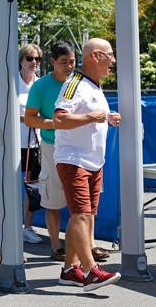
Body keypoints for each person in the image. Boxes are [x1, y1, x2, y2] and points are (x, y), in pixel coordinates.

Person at [53, 38, 121, 292]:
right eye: (110, 55)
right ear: (95, 56)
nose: (113, 60)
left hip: (92, 162)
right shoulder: (75, 84)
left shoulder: (95, 86)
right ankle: (91, 271)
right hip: (74, 160)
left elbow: (92, 118)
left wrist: (108, 118)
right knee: (82, 215)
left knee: (82, 216)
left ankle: (70, 269)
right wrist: (94, 116)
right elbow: (59, 119)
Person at [25, 39, 76, 261]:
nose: (69, 66)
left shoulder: (81, 83)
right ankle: (56, 246)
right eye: (64, 62)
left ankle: (88, 246)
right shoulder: (41, 86)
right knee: (52, 201)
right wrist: (54, 124)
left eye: (73, 61)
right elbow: (29, 118)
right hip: (52, 148)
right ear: (53, 61)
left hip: (80, 148)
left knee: (83, 203)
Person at [18, 44, 43, 244]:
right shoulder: (11, 83)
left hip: (35, 143)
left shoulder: (41, 84)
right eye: (29, 58)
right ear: (21, 60)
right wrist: (27, 118)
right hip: (13, 142)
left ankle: (27, 227)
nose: (33, 62)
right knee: (6, 185)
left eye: (37, 59)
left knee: (32, 187)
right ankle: (3, 225)